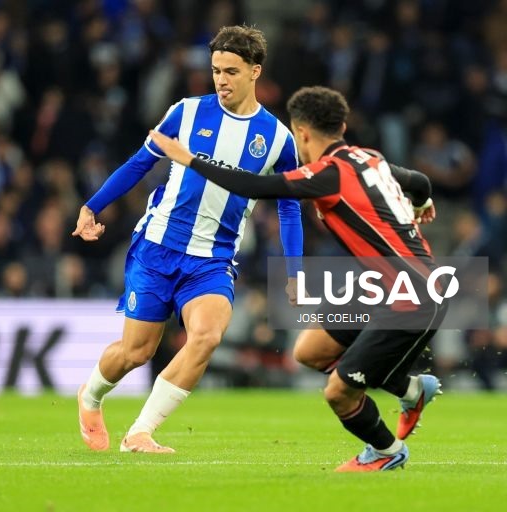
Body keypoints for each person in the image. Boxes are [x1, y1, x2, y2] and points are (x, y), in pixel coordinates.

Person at [149, 85, 446, 472]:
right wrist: (421, 204)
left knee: (339, 392)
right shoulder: (368, 158)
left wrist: (189, 159)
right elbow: (420, 181)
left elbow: (254, 186)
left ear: (301, 132)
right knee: (310, 351)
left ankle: (387, 451)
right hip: (385, 287)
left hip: (411, 297)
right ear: (341, 125)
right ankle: (410, 389)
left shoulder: (327, 174)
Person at [73, 26, 304, 453]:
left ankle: (140, 432)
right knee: (135, 351)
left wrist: (295, 270)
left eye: (231, 71)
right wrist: (92, 205)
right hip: (158, 247)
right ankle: (89, 397)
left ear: (255, 71)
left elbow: (289, 205)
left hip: (213, 260)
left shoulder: (277, 139)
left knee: (207, 336)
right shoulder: (187, 112)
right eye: (216, 70)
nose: (221, 80)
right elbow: (140, 163)